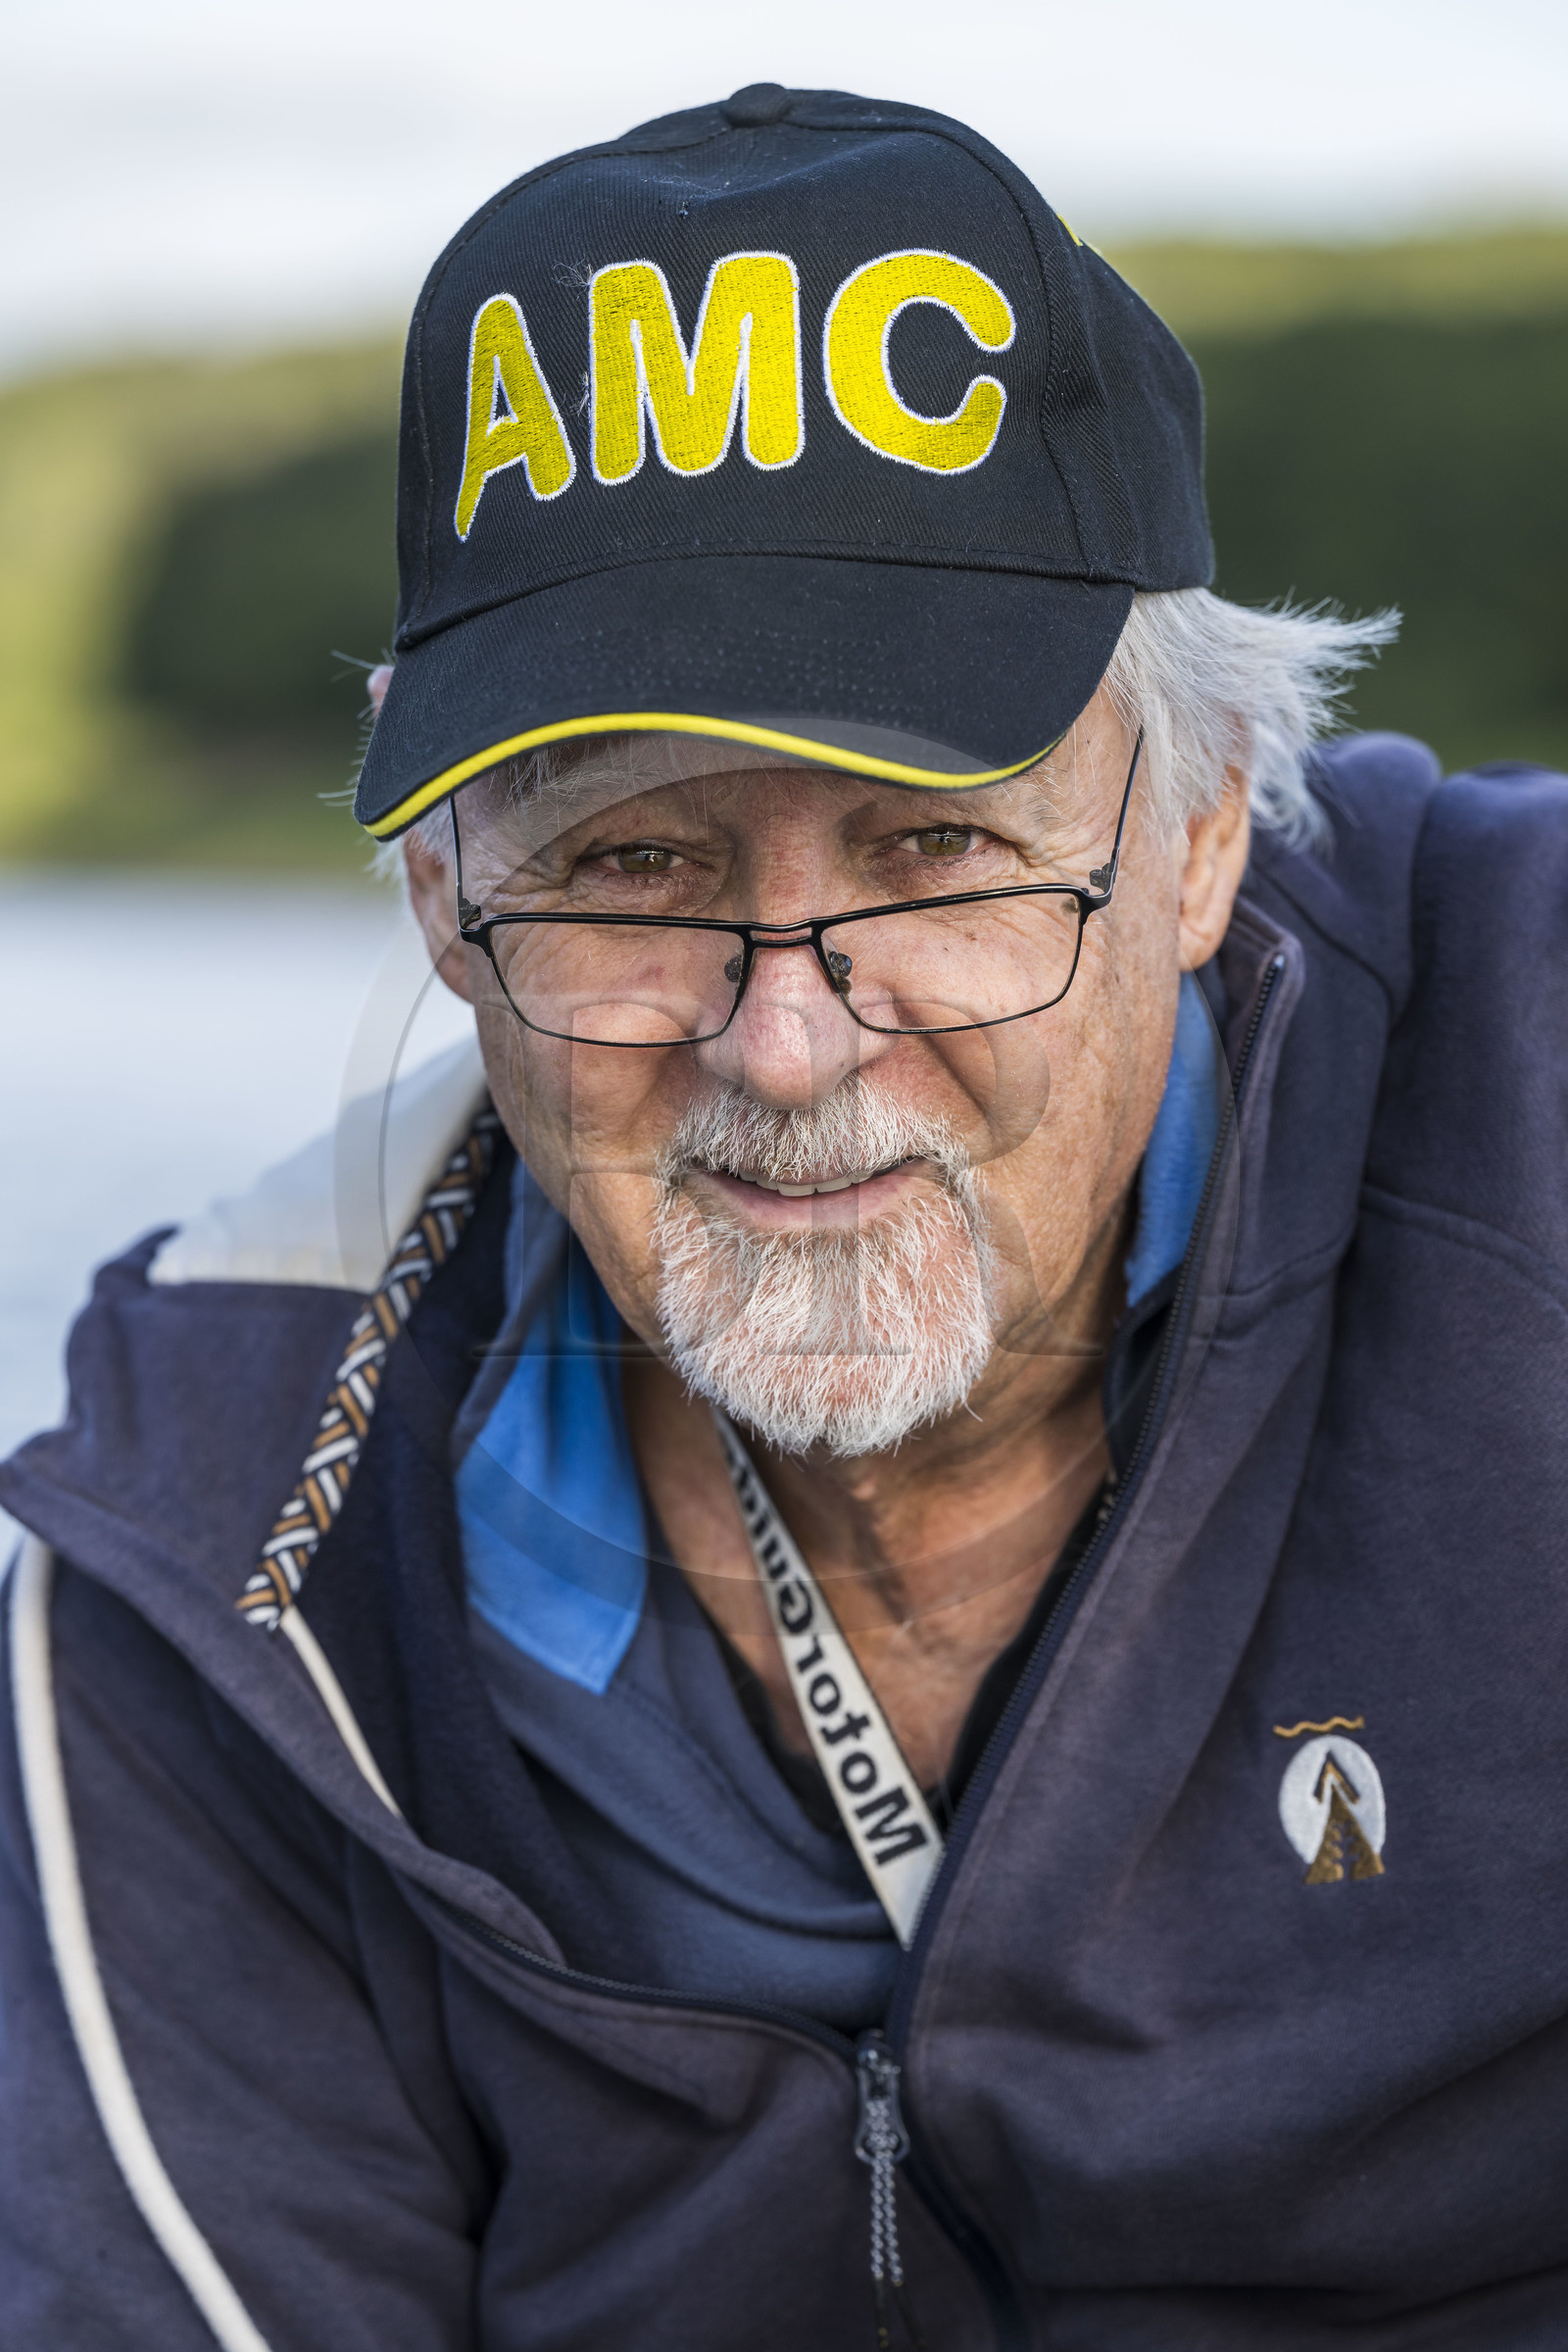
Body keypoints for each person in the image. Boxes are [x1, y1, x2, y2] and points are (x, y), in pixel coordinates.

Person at [2, 82, 1565, 2352]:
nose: (787, 1046)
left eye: (936, 852)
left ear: (1211, 820)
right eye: (633, 864)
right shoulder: (210, 1537)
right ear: (445, 898)